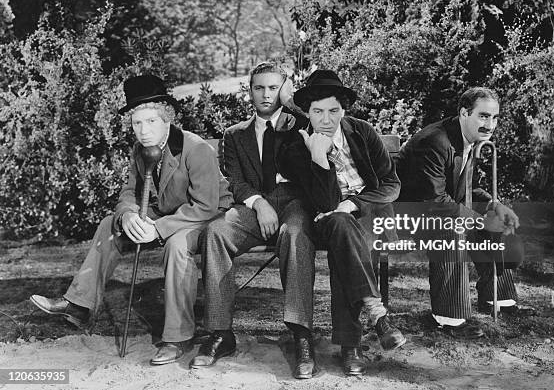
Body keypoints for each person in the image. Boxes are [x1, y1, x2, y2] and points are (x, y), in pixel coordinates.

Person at [30, 74, 232, 365]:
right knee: (107, 224)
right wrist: (126, 217)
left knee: (176, 245)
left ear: (167, 119)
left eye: (151, 122)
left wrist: (157, 229)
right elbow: (128, 193)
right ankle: (79, 304)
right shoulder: (140, 149)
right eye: (137, 123)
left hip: (206, 216)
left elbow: (205, 205)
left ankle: (177, 337)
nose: (143, 130)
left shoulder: (196, 148)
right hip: (166, 211)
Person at [193, 62, 318, 379]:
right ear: (249, 91)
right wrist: (259, 202)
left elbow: (313, 175)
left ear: (284, 88)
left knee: (296, 233)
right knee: (216, 233)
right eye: (259, 87)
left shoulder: (302, 124)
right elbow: (235, 180)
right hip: (252, 208)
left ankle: (301, 335)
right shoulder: (234, 135)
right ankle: (221, 333)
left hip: (294, 203)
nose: (266, 94)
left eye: (273, 87)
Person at [278, 69, 406, 377]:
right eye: (318, 111)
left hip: (364, 212)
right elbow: (323, 204)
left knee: (347, 229)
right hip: (325, 217)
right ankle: (371, 323)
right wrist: (319, 157)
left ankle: (353, 342)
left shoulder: (361, 131)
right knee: (340, 225)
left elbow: (391, 183)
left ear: (343, 109)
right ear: (307, 112)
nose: (326, 119)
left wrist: (355, 203)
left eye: (333, 110)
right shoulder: (297, 147)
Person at [396, 87, 533, 339]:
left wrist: (495, 204)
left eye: (495, 118)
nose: (490, 125)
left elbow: (466, 189)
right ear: (463, 113)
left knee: (495, 220)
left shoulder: (469, 139)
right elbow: (435, 201)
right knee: (454, 227)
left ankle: (498, 299)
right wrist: (480, 221)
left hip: (437, 208)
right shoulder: (435, 142)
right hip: (407, 218)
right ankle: (450, 318)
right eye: (483, 116)